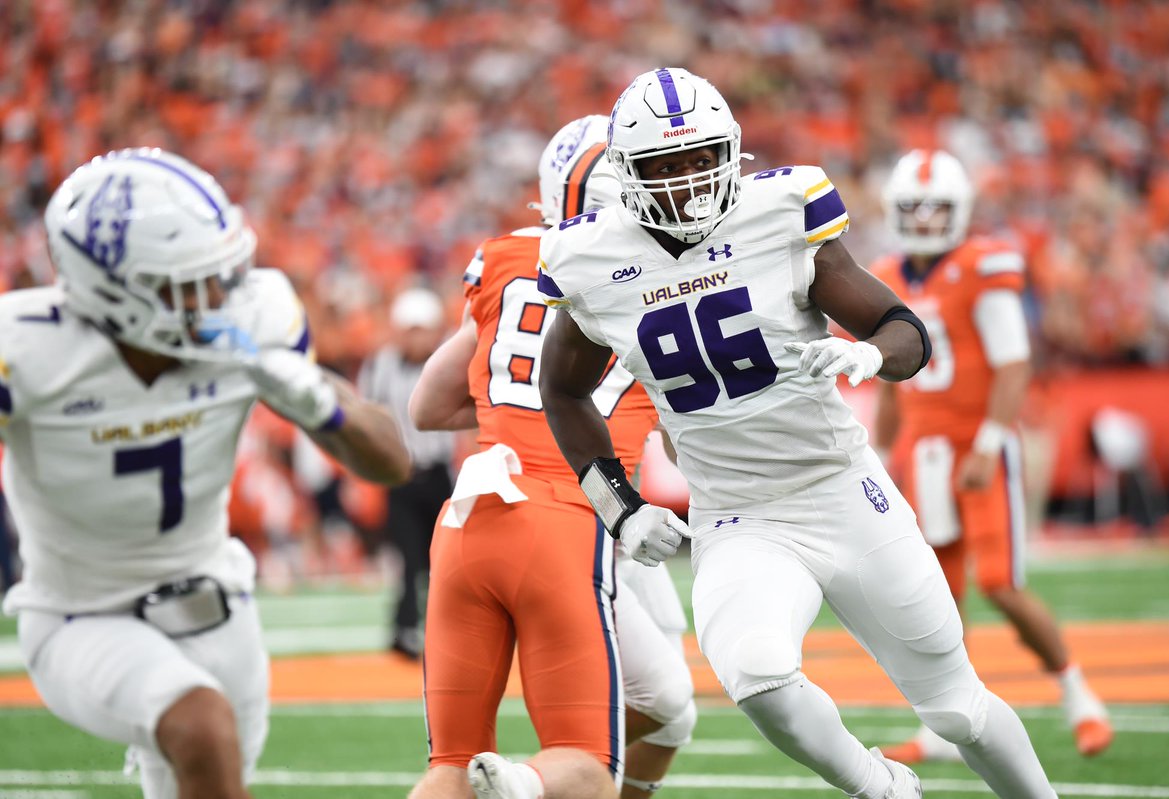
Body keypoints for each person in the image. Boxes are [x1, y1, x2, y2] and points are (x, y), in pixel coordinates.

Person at [538, 67, 1060, 799]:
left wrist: (871, 353)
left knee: (956, 706)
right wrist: (618, 505)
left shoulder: (779, 211)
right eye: (666, 165)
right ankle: (883, 786)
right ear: (628, 173)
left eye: (700, 159)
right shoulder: (591, 259)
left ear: (730, 153)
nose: (688, 180)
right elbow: (559, 388)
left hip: (841, 488)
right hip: (736, 513)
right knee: (756, 675)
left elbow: (902, 327)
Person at [0, 148, 411, 799]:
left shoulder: (251, 318)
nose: (221, 294)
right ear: (116, 289)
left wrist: (319, 401)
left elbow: (391, 460)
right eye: (191, 281)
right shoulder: (26, 349)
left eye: (222, 271)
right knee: (200, 725)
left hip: (215, 600)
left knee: (212, 773)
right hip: (79, 611)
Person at [406, 115, 695, 799]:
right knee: (589, 761)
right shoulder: (659, 274)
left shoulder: (503, 258)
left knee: (449, 766)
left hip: (470, 515)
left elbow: (427, 404)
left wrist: (521, 417)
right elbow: (696, 442)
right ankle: (530, 785)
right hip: (574, 516)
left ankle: (523, 781)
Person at [871, 148, 1113, 763]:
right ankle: (943, 728)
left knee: (1000, 583)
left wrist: (986, 442)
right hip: (924, 453)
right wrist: (881, 452)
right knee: (937, 595)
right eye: (913, 208)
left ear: (960, 211)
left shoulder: (983, 264)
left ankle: (1080, 696)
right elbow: (891, 378)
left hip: (979, 448)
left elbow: (1013, 363)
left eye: (936, 209)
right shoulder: (885, 276)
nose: (924, 220)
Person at [357, 286, 456, 658]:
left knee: (445, 559)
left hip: (440, 474)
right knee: (409, 558)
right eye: (410, 329)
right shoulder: (380, 365)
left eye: (422, 329)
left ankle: (445, 629)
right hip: (401, 474)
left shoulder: (449, 360)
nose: (416, 337)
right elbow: (368, 418)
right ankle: (404, 630)